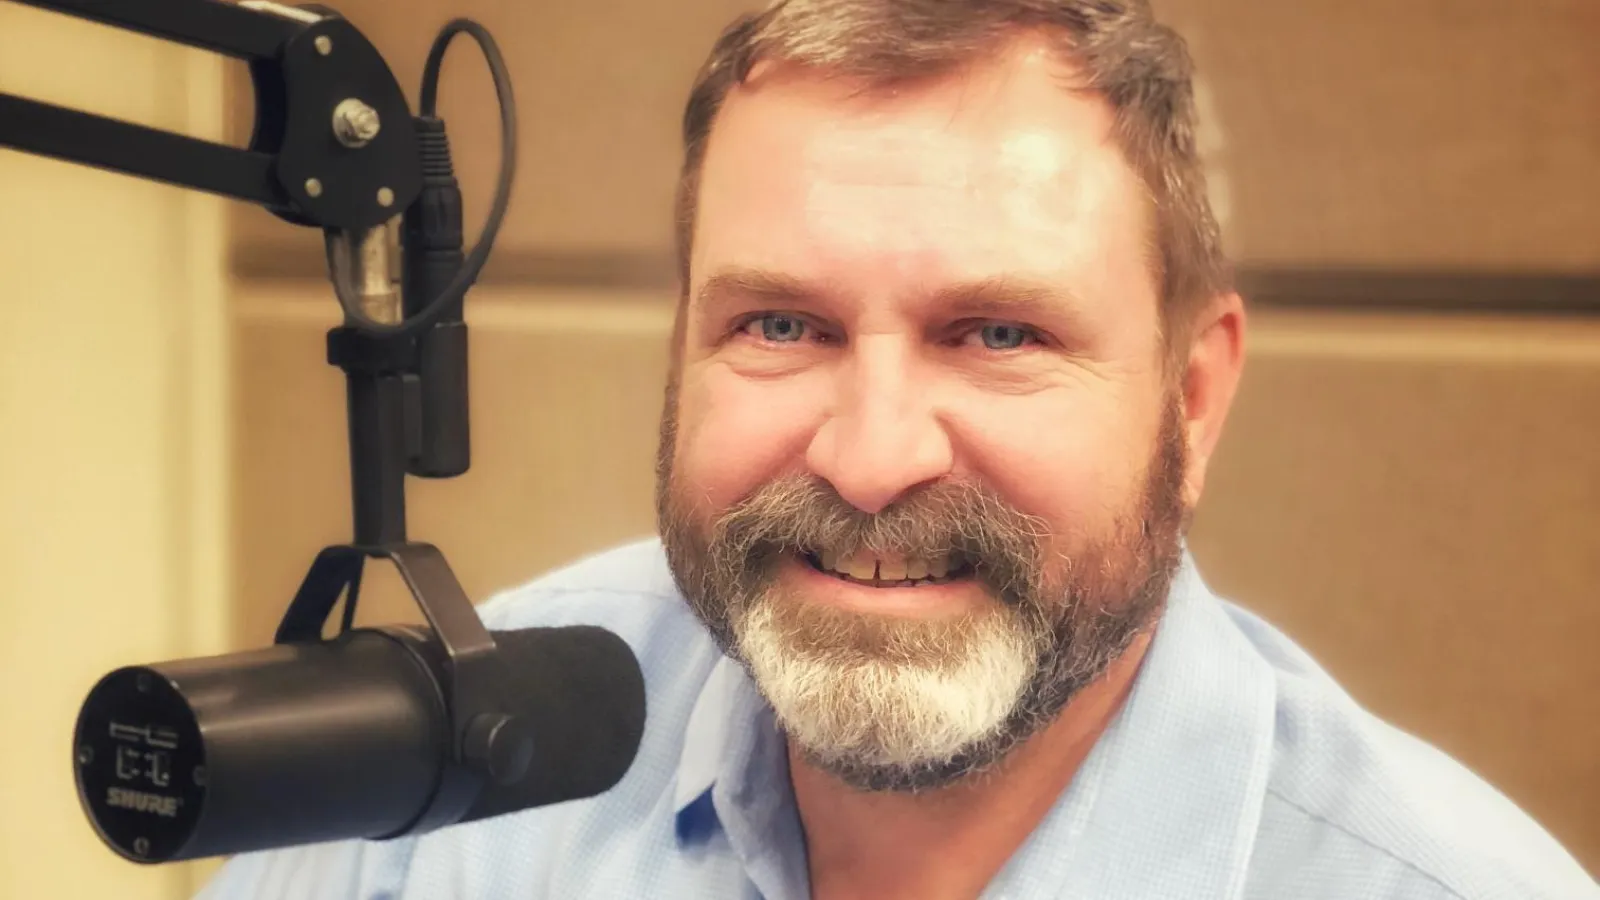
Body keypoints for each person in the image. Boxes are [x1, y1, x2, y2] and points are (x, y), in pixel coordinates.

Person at [200, 1, 1597, 897]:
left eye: (996, 335)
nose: (870, 461)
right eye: (780, 324)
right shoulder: (460, 765)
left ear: (1192, 397)